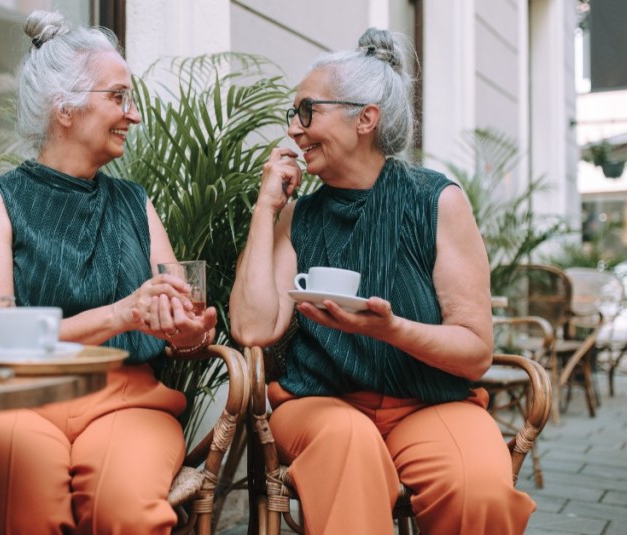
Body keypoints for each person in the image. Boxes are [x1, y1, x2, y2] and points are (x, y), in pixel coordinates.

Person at [229, 28, 535, 534]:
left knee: (478, 487)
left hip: (429, 401)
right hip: (321, 406)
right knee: (348, 447)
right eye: (293, 116)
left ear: (365, 118)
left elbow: (476, 351)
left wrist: (391, 330)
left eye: (307, 112)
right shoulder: (297, 217)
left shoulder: (436, 202)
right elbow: (253, 329)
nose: (294, 131)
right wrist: (267, 208)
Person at [0, 10, 217, 534]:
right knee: (21, 504)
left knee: (127, 511)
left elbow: (178, 321)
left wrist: (187, 332)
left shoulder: (136, 203)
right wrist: (121, 314)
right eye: (117, 97)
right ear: (63, 107)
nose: (132, 115)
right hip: (14, 396)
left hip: (125, 401)